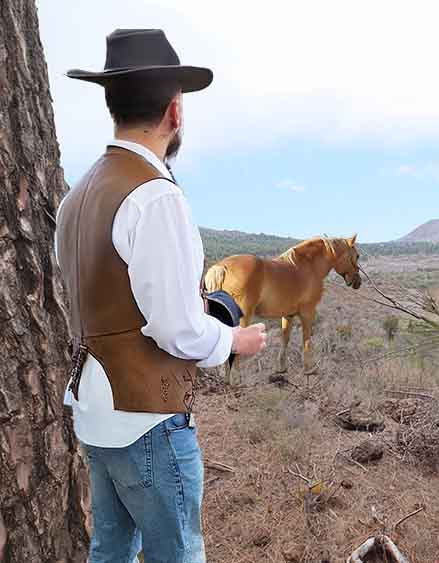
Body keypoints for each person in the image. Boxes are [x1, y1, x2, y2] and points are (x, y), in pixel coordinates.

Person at [54, 29, 268, 563]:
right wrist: (234, 339)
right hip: (147, 418)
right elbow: (176, 329)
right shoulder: (155, 196)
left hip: (95, 413)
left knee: (110, 552)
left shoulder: (76, 196)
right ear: (176, 112)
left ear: (112, 105)